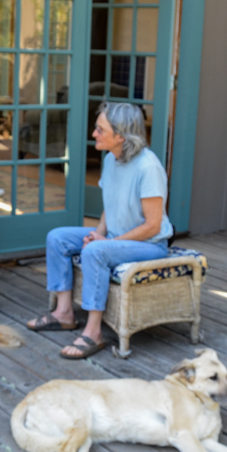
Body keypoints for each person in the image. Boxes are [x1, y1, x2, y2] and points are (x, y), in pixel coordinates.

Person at [27, 102, 173, 359]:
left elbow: (153, 226)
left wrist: (103, 243)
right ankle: (64, 313)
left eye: (100, 130)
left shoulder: (148, 168)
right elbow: (111, 206)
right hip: (117, 238)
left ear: (121, 136)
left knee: (95, 251)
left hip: (150, 244)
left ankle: (93, 332)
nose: (94, 134)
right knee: (57, 238)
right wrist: (98, 233)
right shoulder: (110, 159)